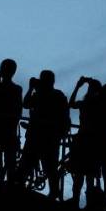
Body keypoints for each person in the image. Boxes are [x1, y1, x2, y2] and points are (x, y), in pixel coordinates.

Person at [17, 70, 69, 199]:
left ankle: (19, 189)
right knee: (50, 167)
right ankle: (54, 193)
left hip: (37, 135)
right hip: (50, 136)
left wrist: (31, 88)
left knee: (28, 163)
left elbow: (26, 103)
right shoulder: (58, 95)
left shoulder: (41, 95)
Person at [67, 76, 104, 206]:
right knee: (89, 175)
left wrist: (78, 86)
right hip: (93, 142)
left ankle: (76, 200)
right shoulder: (100, 105)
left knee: (80, 174)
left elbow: (71, 104)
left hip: (83, 140)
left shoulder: (86, 104)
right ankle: (89, 203)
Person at [0, 59, 23, 183]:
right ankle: (8, 184)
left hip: (2, 128)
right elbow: (18, 110)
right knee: (8, 160)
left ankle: (1, 183)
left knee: (4, 160)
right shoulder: (16, 89)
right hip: (8, 128)